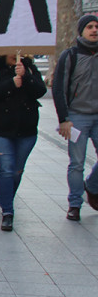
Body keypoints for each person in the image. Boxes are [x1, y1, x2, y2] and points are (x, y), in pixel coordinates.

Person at [0, 53, 46, 231]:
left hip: (26, 131)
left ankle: (7, 197)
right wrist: (11, 84)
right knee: (6, 169)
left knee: (16, 172)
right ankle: (7, 212)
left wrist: (26, 76)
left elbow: (41, 90)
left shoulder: (29, 67)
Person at [54, 14, 98, 221]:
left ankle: (92, 185)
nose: (94, 30)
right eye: (89, 26)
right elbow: (59, 88)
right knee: (77, 163)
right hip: (77, 116)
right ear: (81, 31)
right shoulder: (70, 55)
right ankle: (75, 204)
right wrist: (64, 118)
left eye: (97, 26)